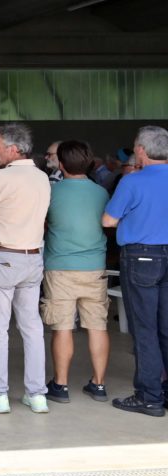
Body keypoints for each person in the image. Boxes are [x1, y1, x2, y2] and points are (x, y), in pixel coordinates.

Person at [0, 123, 51, 415]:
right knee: (32, 327)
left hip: (3, 257)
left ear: (14, 149)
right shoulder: (42, 177)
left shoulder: (0, 177)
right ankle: (37, 394)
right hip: (33, 258)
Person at [102, 126, 168, 416]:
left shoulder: (132, 181)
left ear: (141, 150)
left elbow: (108, 220)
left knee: (145, 329)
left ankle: (149, 396)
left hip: (142, 257)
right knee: (166, 327)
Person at [42, 140, 111, 405]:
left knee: (62, 327)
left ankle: (60, 385)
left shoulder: (52, 192)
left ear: (61, 164)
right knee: (97, 325)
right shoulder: (101, 192)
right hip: (95, 266)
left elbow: (44, 222)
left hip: (60, 267)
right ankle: (99, 384)